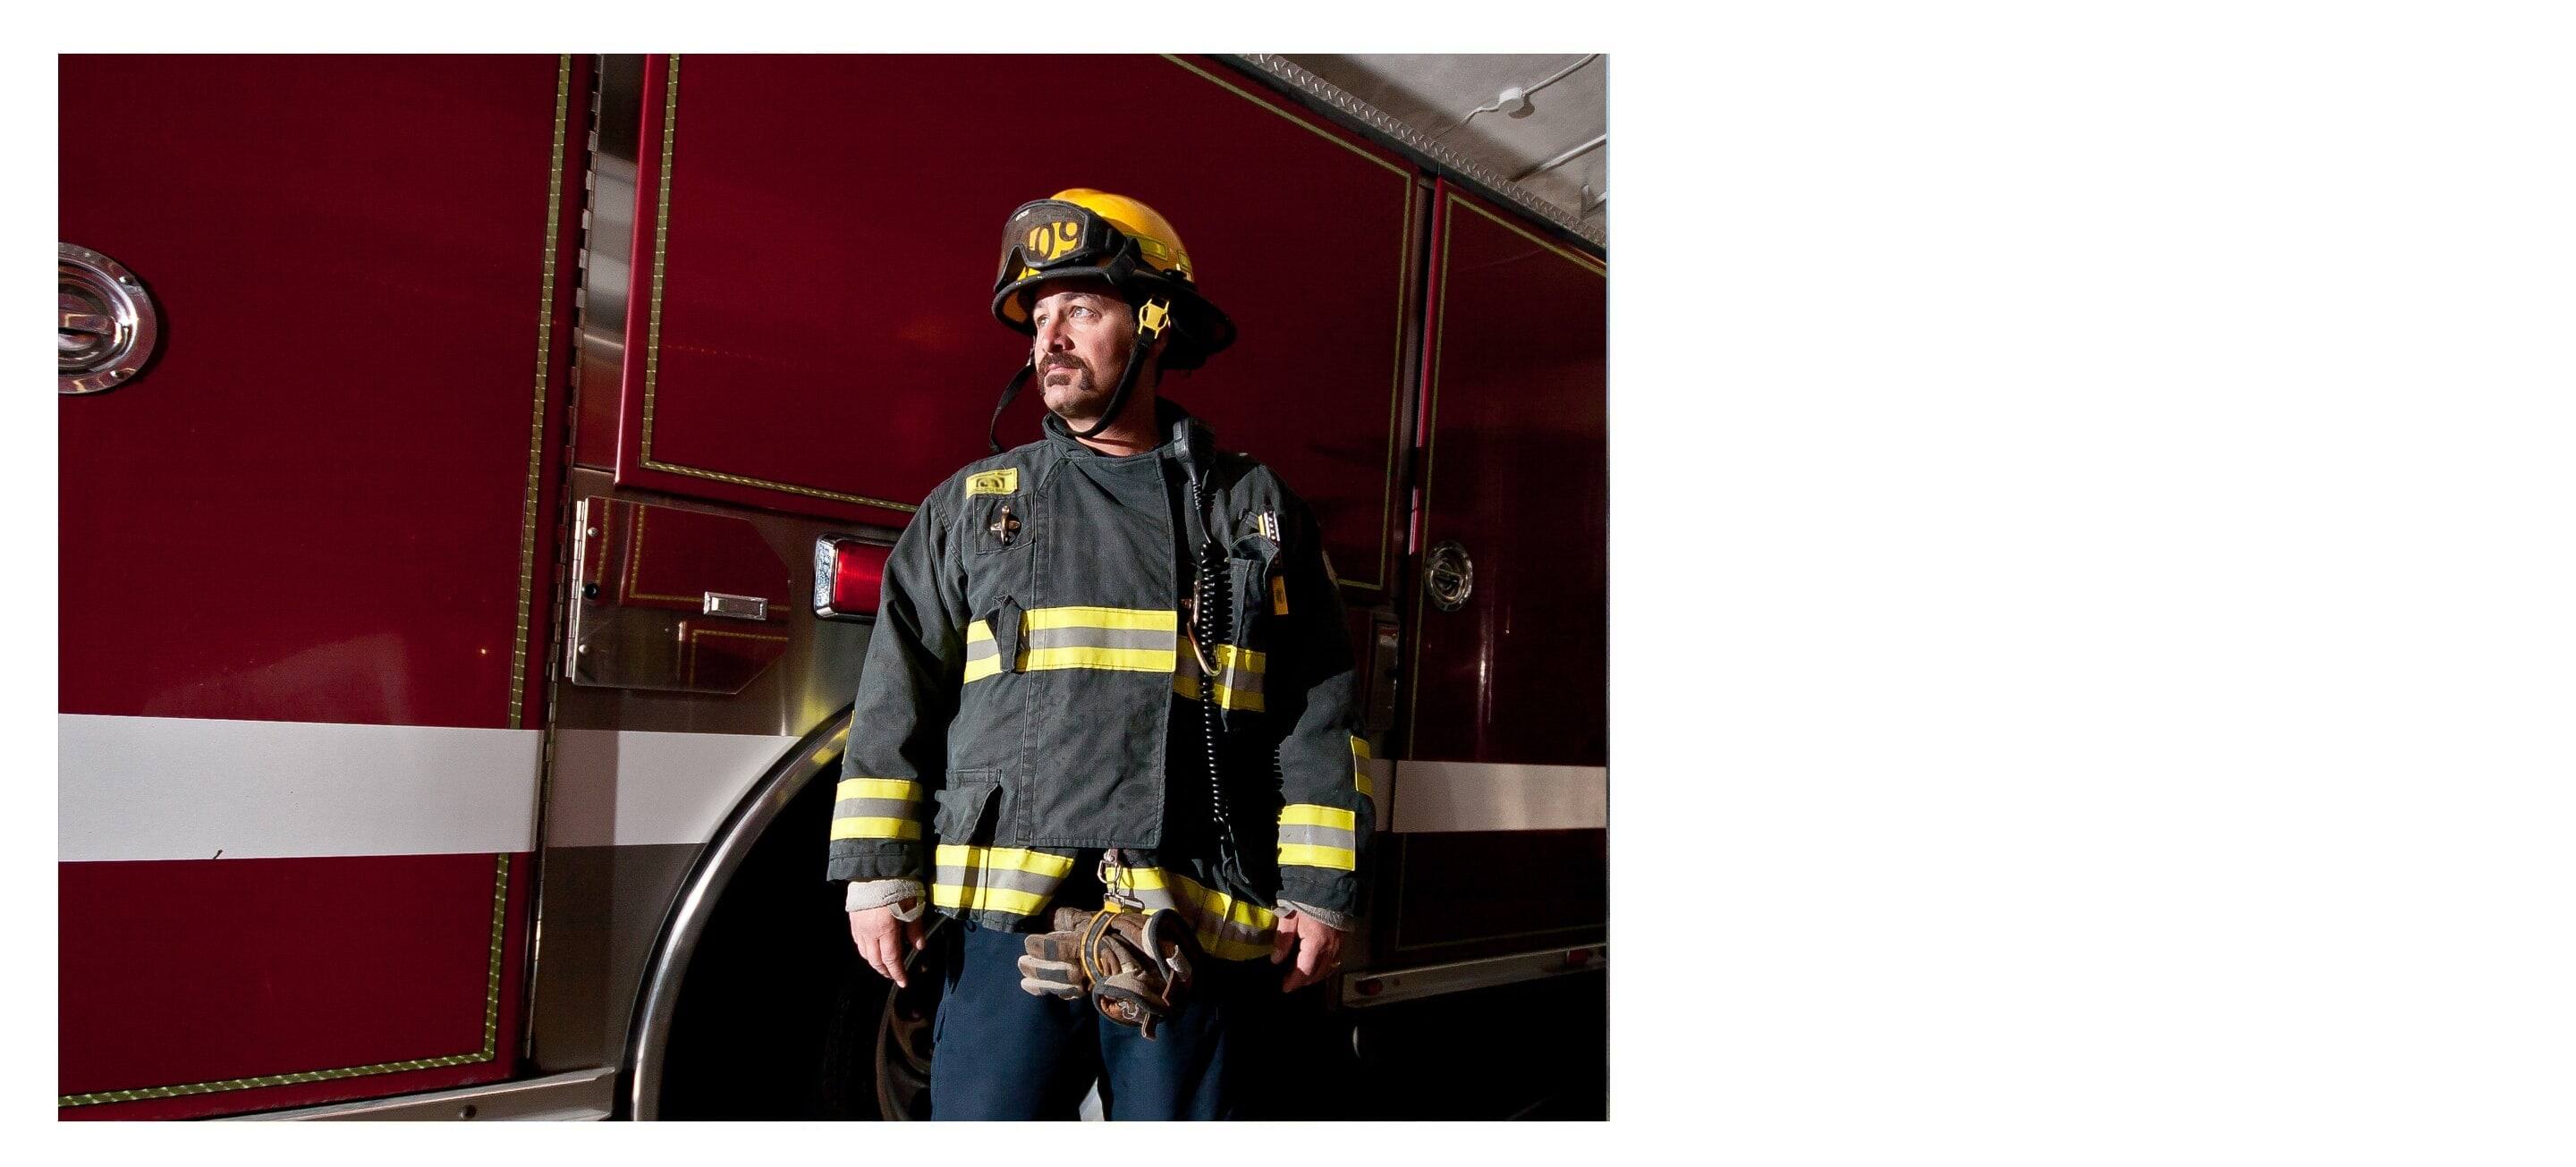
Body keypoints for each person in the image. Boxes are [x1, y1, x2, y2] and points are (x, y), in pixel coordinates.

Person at [825, 189, 1373, 1120]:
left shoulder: (1250, 507)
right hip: (1006, 928)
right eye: (1038, 319)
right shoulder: (972, 506)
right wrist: (876, 875)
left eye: (1081, 308)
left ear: (1155, 323)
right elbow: (894, 702)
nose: (1050, 340)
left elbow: (1317, 709)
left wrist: (1321, 891)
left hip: (1192, 922)